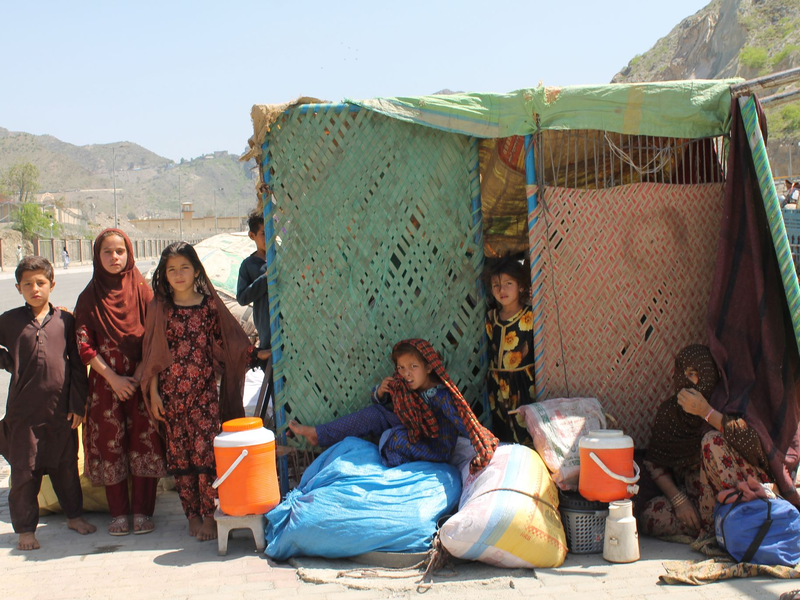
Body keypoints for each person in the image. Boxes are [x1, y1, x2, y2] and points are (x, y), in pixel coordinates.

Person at [139, 242, 271, 541]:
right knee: (181, 458)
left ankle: (210, 516)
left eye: (185, 267)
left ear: (196, 270)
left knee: (207, 457)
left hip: (204, 396)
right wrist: (155, 394)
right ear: (164, 274)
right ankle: (192, 516)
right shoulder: (160, 308)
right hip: (172, 397)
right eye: (172, 269)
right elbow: (154, 355)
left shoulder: (209, 305)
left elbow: (229, 340)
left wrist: (254, 355)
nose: (179, 274)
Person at [289, 339, 498, 474]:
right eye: (401, 367)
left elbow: (464, 422)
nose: (406, 373)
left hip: (434, 447)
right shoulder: (404, 385)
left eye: (413, 367)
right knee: (374, 414)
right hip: (413, 431)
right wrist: (380, 392)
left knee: (394, 439)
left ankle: (391, 472)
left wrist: (482, 442)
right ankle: (319, 434)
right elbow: (379, 400)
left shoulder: (441, 396)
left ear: (428, 366)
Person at [74, 229, 166, 536]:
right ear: (97, 257)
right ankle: (118, 513)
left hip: (141, 381)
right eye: (107, 252)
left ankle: (142, 511)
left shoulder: (141, 288)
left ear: (129, 253)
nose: (115, 258)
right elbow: (84, 345)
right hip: (105, 384)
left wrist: (139, 376)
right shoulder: (89, 297)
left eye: (120, 251)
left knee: (144, 442)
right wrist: (113, 379)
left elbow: (154, 333)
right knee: (110, 444)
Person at [0, 256, 96, 550]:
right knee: (24, 472)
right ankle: (26, 529)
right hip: (23, 414)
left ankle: (74, 516)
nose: (35, 288)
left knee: (66, 466)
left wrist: (77, 405)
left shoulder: (65, 321)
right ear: (18, 288)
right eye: (27, 283)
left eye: (40, 282)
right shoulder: (9, 321)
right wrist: (9, 362)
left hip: (60, 411)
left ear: (51, 284)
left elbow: (78, 366)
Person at [640, 345, 775, 539]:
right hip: (701, 499)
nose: (687, 381)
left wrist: (706, 412)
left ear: (709, 375)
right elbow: (654, 463)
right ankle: (718, 529)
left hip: (743, 488)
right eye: (682, 373)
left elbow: (754, 448)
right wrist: (679, 501)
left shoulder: (727, 401)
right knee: (650, 515)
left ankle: (743, 521)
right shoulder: (670, 413)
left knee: (712, 441)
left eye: (694, 373)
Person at [484, 257, 534, 444]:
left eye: (508, 283)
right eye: (496, 285)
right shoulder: (491, 317)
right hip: (497, 385)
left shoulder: (530, 316)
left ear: (521, 286)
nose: (501, 290)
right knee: (502, 430)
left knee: (525, 430)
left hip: (523, 384)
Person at [236, 209, 271, 351]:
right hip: (266, 326)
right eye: (263, 233)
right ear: (252, 235)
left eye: (271, 231)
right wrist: (266, 278)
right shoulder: (249, 265)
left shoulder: (282, 259)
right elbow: (242, 298)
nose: (269, 236)